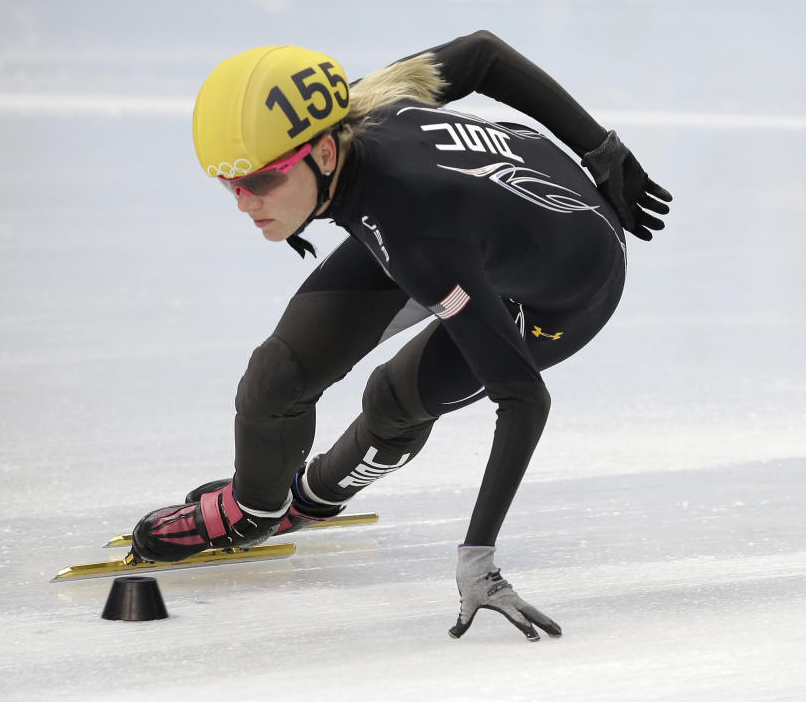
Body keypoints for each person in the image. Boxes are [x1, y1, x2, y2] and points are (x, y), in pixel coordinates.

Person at [128, 31, 672, 641]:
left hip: (561, 292)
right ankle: (254, 511)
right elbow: (481, 55)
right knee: (276, 374)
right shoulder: (355, 109)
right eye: (228, 184)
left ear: (325, 156)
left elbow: (523, 400)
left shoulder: (416, 236)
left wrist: (479, 562)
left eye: (260, 182)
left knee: (393, 401)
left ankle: (315, 497)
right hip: (463, 217)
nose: (243, 202)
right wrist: (599, 148)